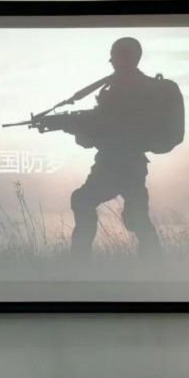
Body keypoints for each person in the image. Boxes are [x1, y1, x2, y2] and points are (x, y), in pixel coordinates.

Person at [63, 37, 161, 257]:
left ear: (124, 58)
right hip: (133, 164)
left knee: (82, 200)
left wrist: (76, 127)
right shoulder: (141, 87)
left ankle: (79, 262)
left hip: (113, 164)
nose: (111, 61)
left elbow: (101, 131)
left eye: (114, 57)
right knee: (137, 217)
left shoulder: (120, 89)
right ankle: (155, 263)